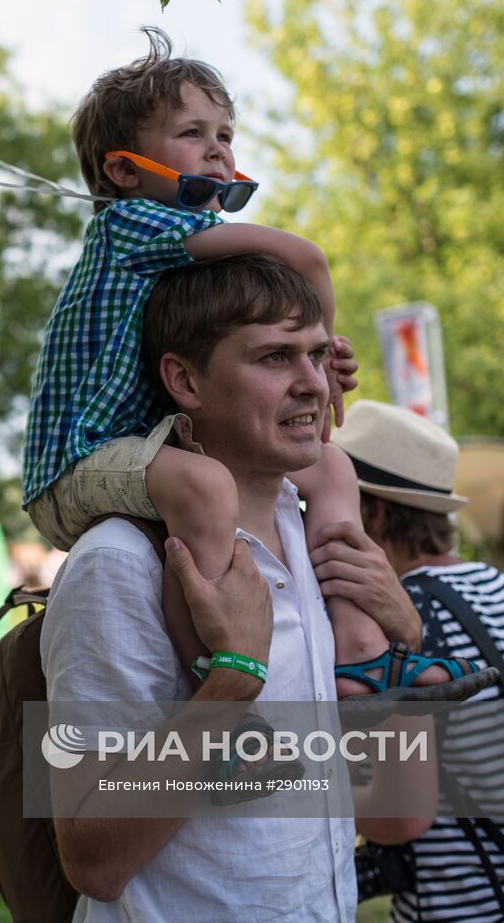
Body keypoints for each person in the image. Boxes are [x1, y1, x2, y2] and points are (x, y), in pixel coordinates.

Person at [24, 27, 487, 704]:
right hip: (76, 460)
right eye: (191, 133)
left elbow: (397, 817)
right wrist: (324, 359)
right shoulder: (133, 226)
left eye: (225, 133)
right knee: (207, 488)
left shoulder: (186, 255)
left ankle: (360, 655)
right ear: (123, 169)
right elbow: (305, 259)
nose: (217, 148)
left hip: (150, 442)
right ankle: (220, 677)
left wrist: (307, 354)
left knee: (333, 465)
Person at [41, 254, 442, 919]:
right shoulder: (121, 562)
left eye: (318, 355)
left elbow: (395, 820)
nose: (313, 385)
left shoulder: (320, 543)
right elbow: (94, 861)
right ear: (184, 380)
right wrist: (231, 681)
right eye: (275, 359)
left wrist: (400, 650)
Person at [323, 400, 504, 921]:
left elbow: (402, 817)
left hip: (459, 908)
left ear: (375, 514)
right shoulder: (500, 587)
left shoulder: (407, 617)